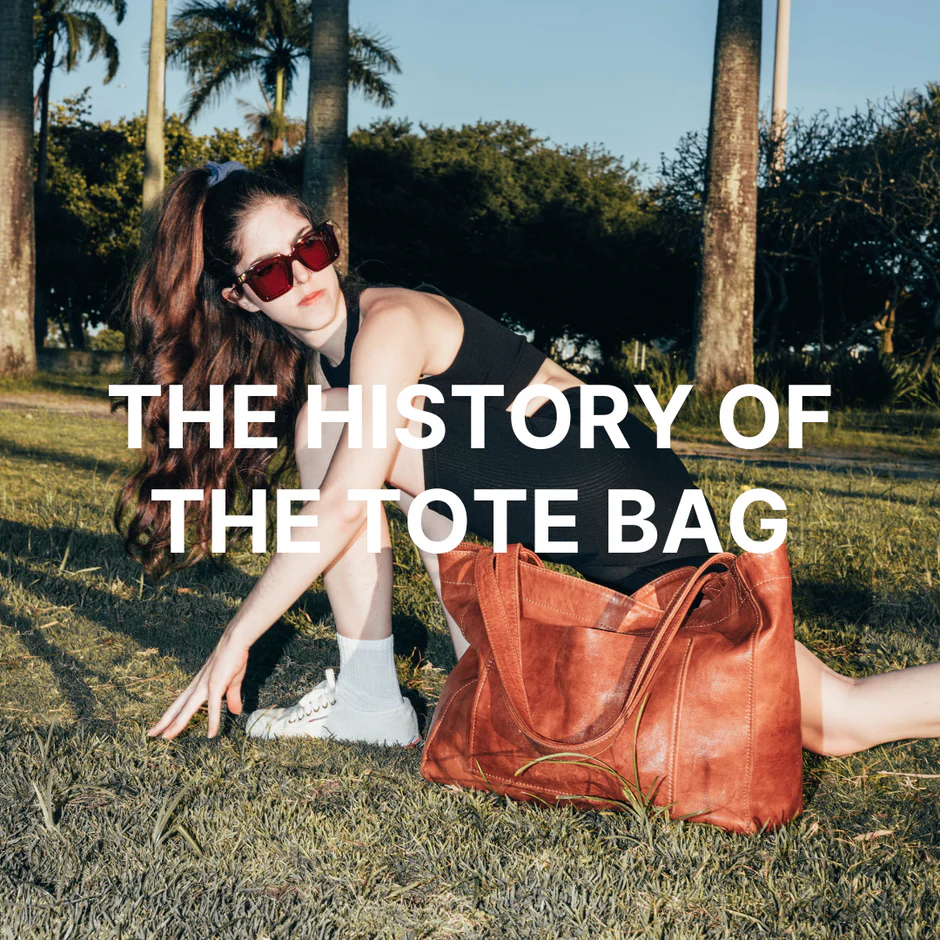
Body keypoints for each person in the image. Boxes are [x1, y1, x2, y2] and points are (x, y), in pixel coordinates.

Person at [123, 162, 940, 758]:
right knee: (329, 435)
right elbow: (414, 500)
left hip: (628, 525)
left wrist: (235, 639)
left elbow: (344, 507)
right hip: (563, 534)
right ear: (240, 297)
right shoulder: (332, 381)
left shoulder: (392, 322)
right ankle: (380, 699)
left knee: (836, 720)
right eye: (270, 270)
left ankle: (419, 688)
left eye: (311, 246)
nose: (304, 276)